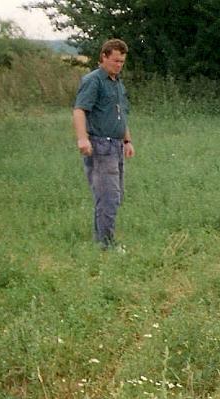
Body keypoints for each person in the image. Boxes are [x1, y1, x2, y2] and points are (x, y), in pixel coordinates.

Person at [73, 38, 135, 251]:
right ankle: (106, 245)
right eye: (115, 61)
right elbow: (80, 110)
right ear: (104, 57)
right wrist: (82, 138)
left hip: (116, 146)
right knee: (108, 196)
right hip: (100, 146)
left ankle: (103, 239)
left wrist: (127, 140)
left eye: (122, 62)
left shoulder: (117, 83)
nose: (119, 65)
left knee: (115, 196)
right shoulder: (93, 80)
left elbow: (119, 114)